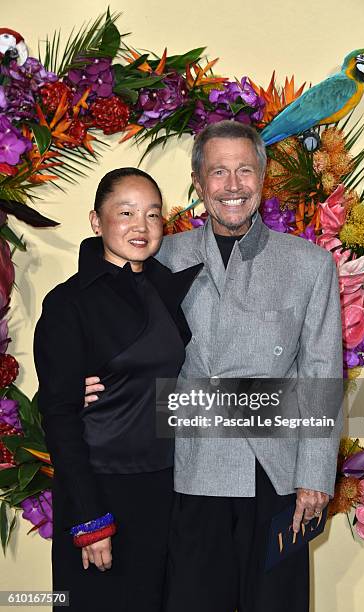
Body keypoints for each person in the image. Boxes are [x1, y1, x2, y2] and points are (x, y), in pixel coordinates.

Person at [85, 121, 343, 612]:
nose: (232, 185)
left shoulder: (309, 264)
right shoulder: (162, 255)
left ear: (262, 179)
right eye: (218, 172)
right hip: (187, 472)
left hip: (280, 478)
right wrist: (85, 383)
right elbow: (112, 334)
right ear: (199, 183)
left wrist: (315, 476)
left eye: (245, 170)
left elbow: (321, 373)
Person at [33, 167, 202, 612]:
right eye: (124, 212)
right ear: (96, 221)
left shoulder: (167, 290)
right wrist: (91, 519)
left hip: (165, 489)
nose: (140, 227)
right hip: (99, 490)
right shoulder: (69, 302)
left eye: (151, 215)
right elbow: (59, 414)